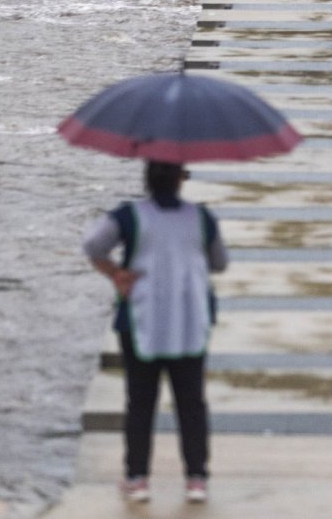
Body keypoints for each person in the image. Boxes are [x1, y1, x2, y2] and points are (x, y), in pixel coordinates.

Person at [82, 160, 228, 503]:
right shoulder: (201, 218)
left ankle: (138, 478)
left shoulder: (129, 217)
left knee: (140, 402)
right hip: (189, 321)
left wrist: (115, 272)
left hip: (140, 320)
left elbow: (92, 244)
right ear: (180, 179)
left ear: (147, 179)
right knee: (191, 402)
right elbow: (219, 262)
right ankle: (196, 479)